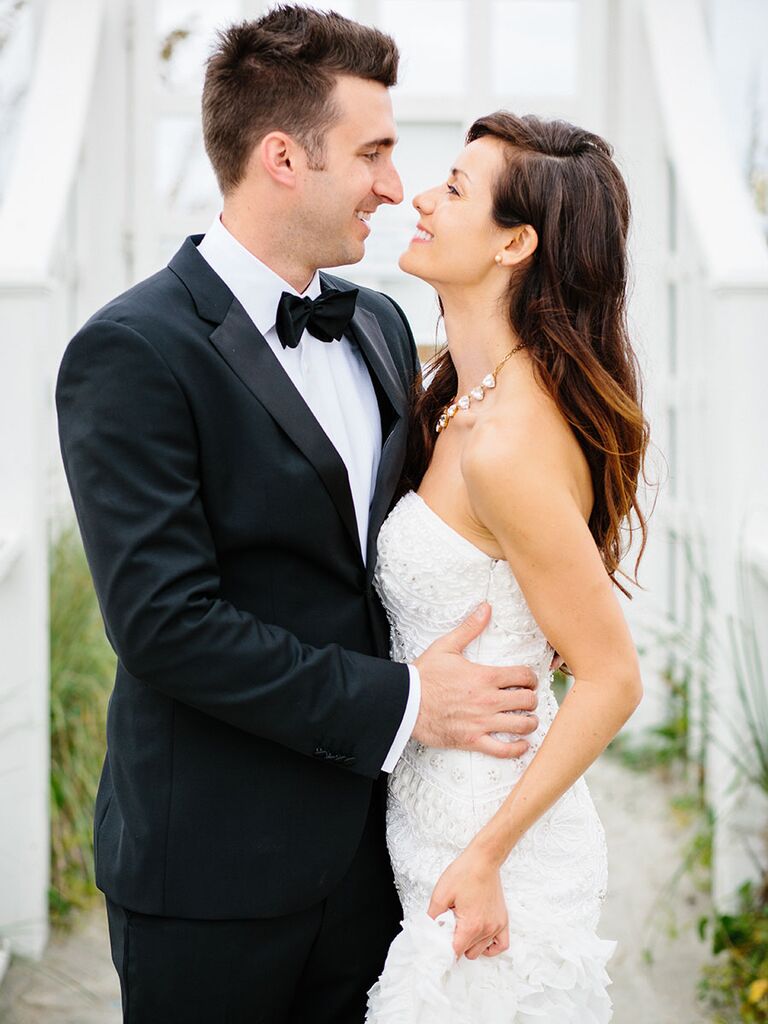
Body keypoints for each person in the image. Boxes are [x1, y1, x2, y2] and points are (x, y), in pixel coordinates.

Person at [55, 9, 543, 1023]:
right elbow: (163, 625)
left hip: (379, 863)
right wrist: (407, 703)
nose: (392, 184)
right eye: (372, 151)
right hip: (210, 877)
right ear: (283, 157)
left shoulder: (377, 322)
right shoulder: (132, 351)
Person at [366, 112, 649, 1022]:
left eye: (453, 188)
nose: (420, 195)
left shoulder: (507, 445)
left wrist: (487, 855)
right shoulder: (458, 397)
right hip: (433, 820)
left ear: (515, 243)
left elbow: (610, 677)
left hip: (496, 859)